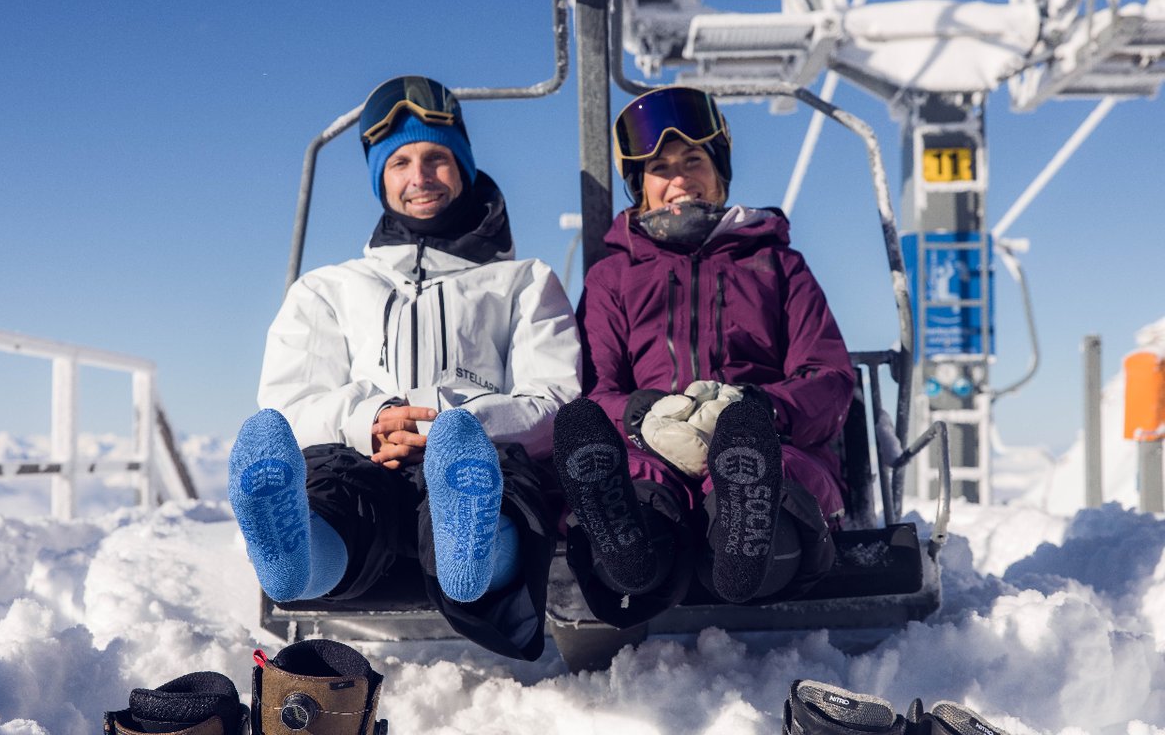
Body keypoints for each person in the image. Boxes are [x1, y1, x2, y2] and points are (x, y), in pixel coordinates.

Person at [227, 75, 581, 661]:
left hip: (478, 449)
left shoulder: (523, 282)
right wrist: (372, 419)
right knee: (334, 484)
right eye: (399, 163)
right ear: (379, 179)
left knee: (505, 482)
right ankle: (296, 557)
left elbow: (556, 399)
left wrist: (450, 427)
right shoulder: (328, 289)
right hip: (365, 454)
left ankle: (473, 550)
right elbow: (289, 405)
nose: (420, 177)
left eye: (436, 157)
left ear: (462, 165)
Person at [552, 85, 854, 627]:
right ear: (640, 188)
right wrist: (645, 415)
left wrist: (759, 410)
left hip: (768, 442)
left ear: (720, 173)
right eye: (661, 168)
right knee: (636, 484)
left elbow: (828, 378)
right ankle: (632, 550)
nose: (681, 178)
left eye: (694, 160)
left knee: (759, 476)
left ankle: (743, 539)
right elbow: (596, 394)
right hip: (652, 446)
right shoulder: (612, 278)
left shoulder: (777, 266)